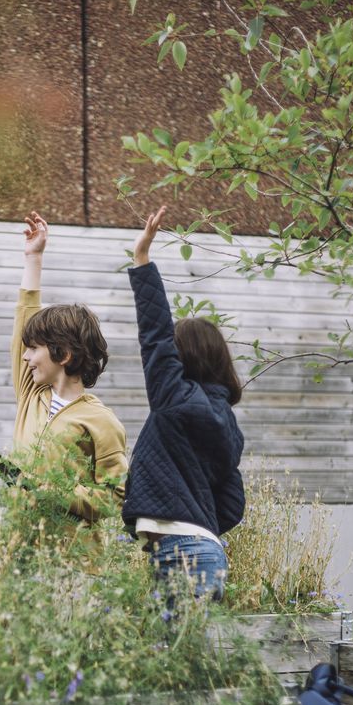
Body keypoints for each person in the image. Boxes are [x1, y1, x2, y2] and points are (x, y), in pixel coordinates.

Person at [122, 207, 245, 601]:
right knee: (188, 658)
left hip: (184, 552)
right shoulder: (227, 420)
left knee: (181, 659)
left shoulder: (173, 399)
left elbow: (155, 339)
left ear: (183, 359)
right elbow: (231, 502)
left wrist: (142, 262)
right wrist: (199, 523)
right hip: (203, 548)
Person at [11, 211, 128, 523]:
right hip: (20, 555)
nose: (25, 357)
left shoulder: (101, 421)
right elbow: (25, 314)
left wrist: (54, 490)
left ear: (63, 354)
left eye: (34, 348)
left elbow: (116, 497)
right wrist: (33, 257)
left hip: (76, 565)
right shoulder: (30, 395)